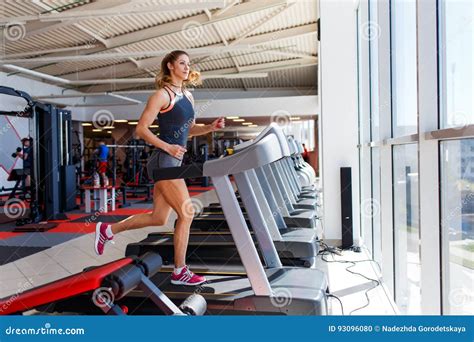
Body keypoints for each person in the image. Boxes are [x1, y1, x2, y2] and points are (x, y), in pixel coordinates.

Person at [94, 50, 225, 286]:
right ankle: (180, 271)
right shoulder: (161, 96)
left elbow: (189, 129)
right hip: (165, 161)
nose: (187, 67)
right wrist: (170, 147)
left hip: (172, 161)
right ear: (170, 66)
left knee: (158, 218)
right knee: (187, 213)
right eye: (182, 63)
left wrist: (209, 128)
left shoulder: (188, 95)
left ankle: (107, 230)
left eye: (188, 64)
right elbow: (141, 130)